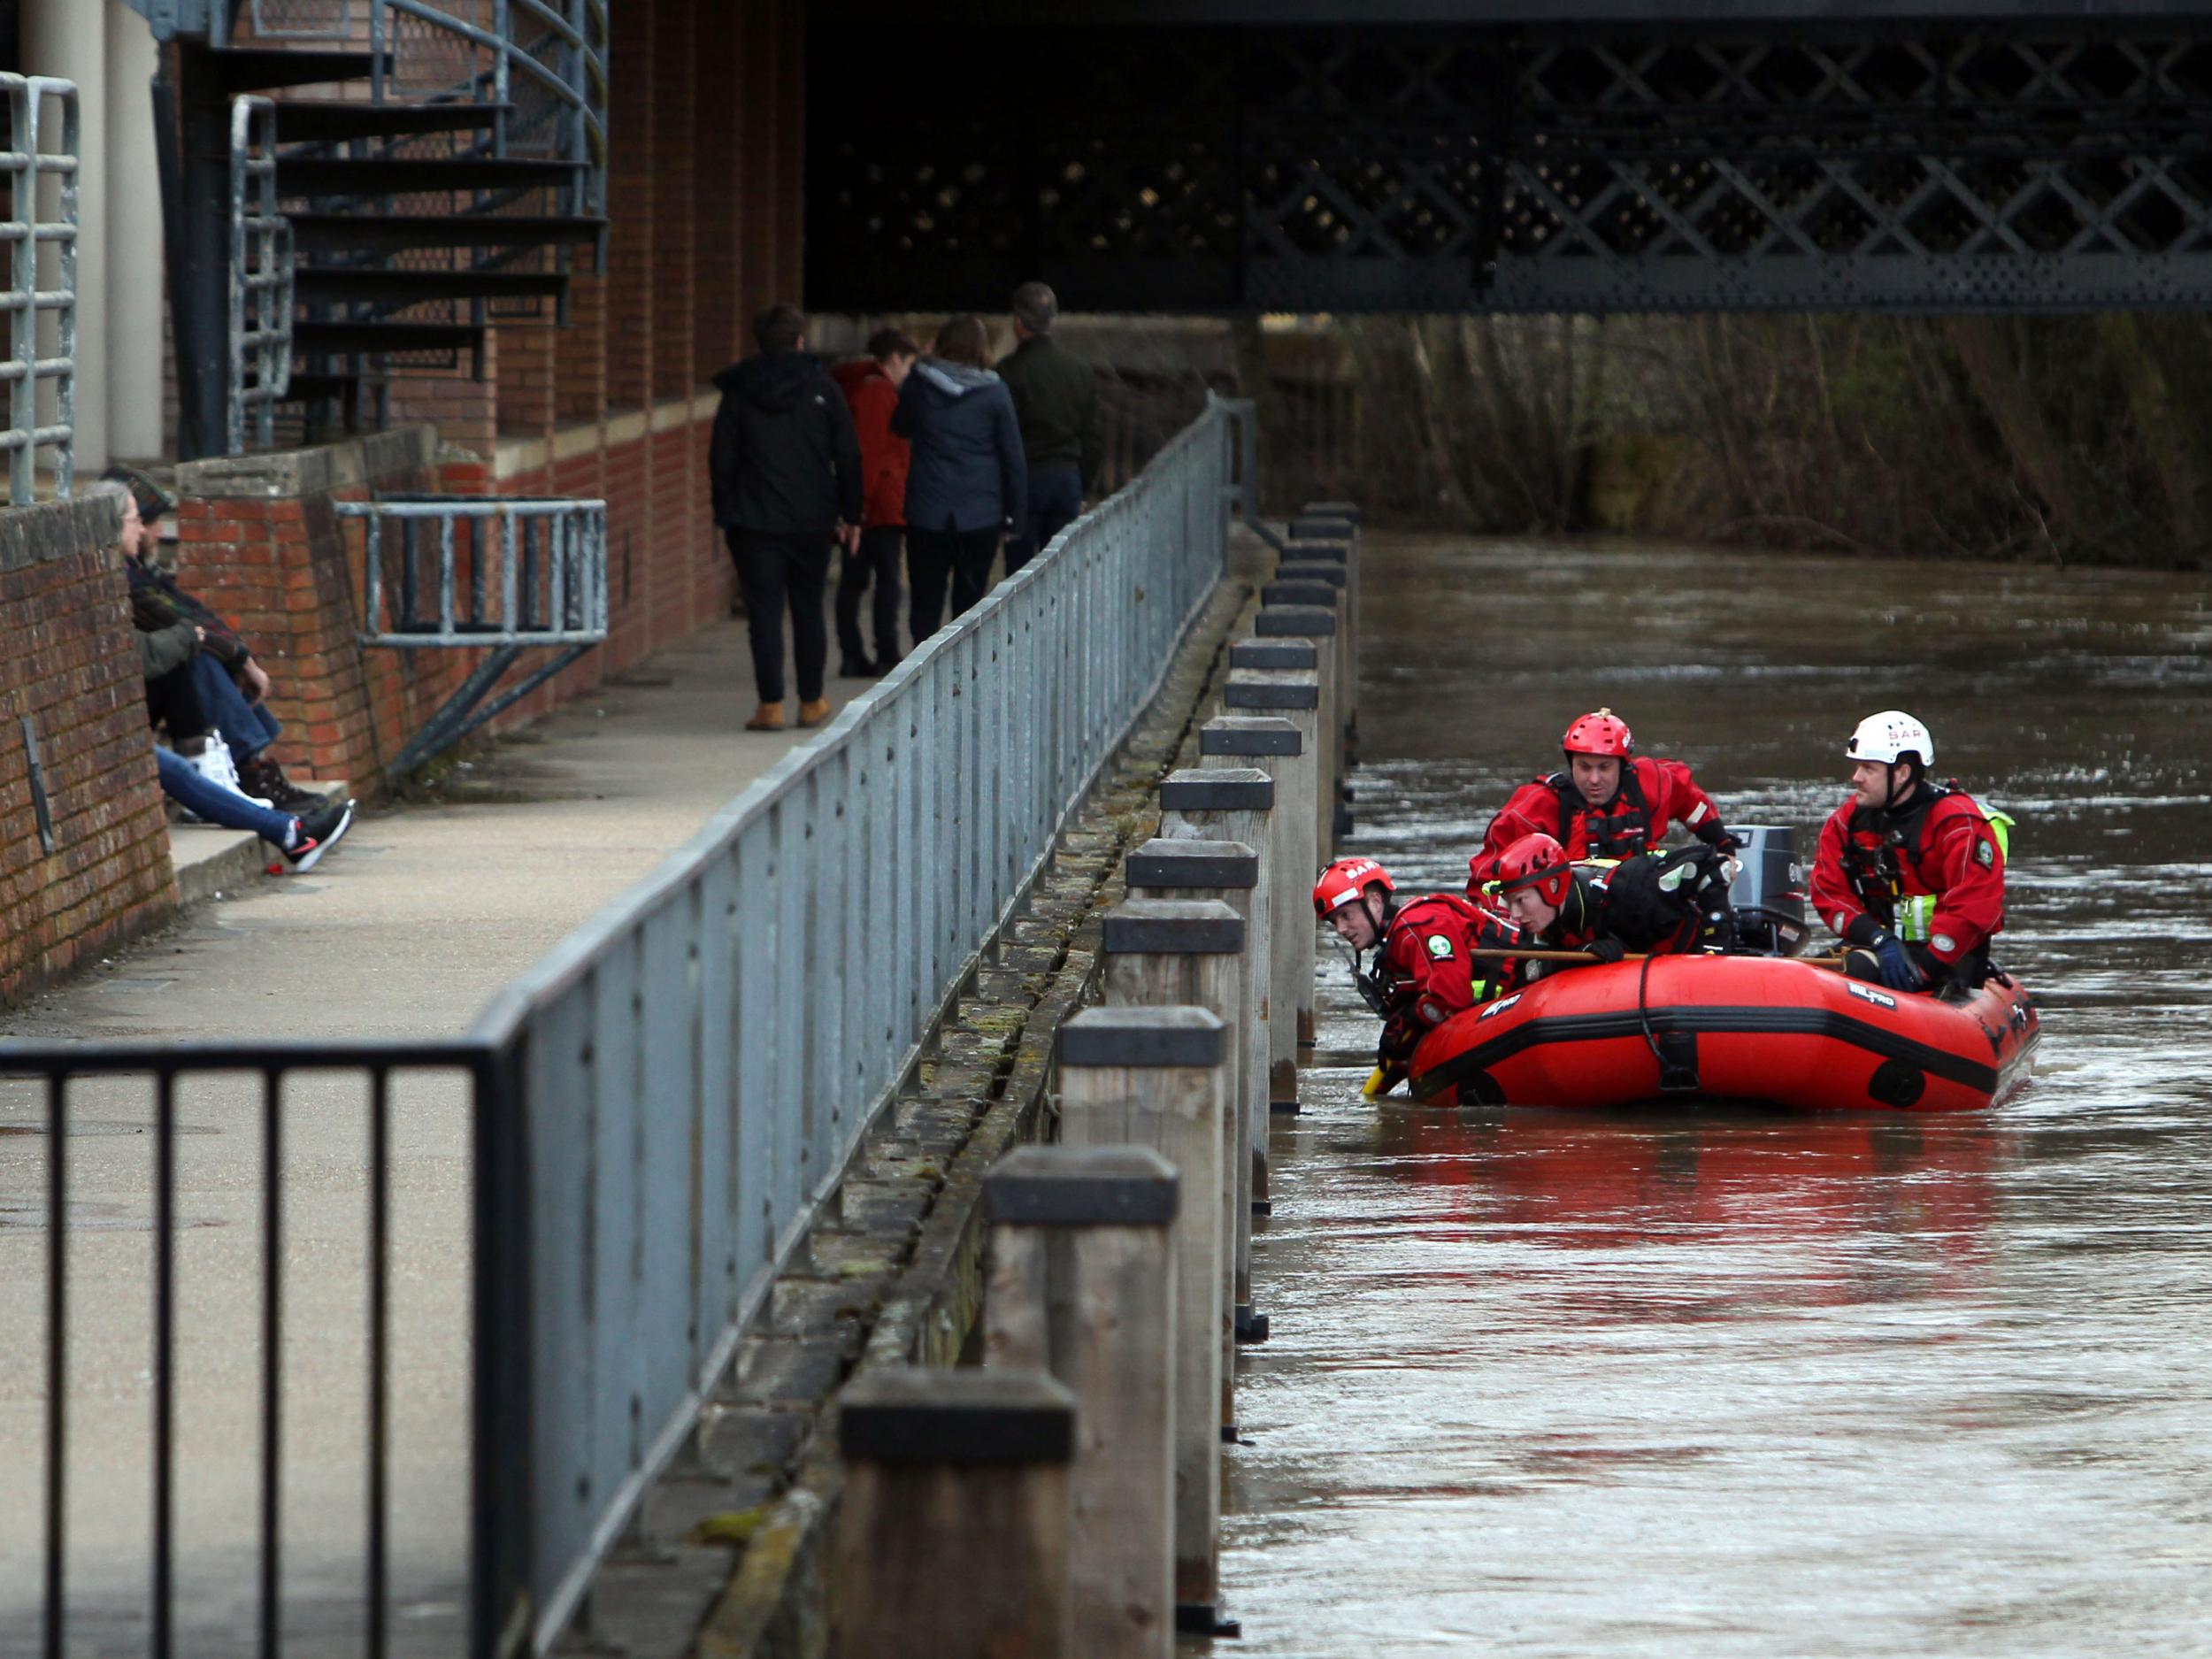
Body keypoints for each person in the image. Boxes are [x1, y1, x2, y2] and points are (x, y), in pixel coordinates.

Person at [95, 472, 322, 812]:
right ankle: (239, 772)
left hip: (135, 693)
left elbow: (192, 611)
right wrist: (227, 652)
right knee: (194, 658)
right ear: (115, 526)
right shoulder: (122, 580)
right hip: (113, 707)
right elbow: (173, 629)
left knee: (199, 652)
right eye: (143, 521)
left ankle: (244, 767)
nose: (149, 531)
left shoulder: (137, 572)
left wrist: (238, 655)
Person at [709, 303, 864, 733]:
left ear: (759, 343)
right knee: (808, 608)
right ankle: (811, 700)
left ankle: (770, 705)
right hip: (812, 519)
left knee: (763, 613)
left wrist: (724, 510)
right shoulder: (824, 389)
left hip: (753, 521)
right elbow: (847, 454)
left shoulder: (739, 392)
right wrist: (852, 513)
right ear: (799, 341)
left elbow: (722, 456)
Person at [1809, 710, 2008, 995]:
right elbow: (1828, 891)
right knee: (1832, 972)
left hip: (1948, 959)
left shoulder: (1956, 823)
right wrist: (1879, 938)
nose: (1856, 778)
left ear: (1902, 773)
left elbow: (1974, 906)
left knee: (1858, 970)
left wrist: (1924, 969)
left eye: (1868, 768)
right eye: (1857, 767)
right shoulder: (1848, 822)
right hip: (1881, 948)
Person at [1313, 856, 1520, 1093]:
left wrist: (1409, 1019)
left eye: (1346, 916)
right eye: (1334, 922)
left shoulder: (1417, 926)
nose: (1340, 929)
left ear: (1375, 901)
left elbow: (1450, 998)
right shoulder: (1397, 943)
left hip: (1523, 989)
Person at [1468, 708, 1737, 889]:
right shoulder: (1539, 806)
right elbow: (1488, 874)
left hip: (1641, 904)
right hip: (1573, 918)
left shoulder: (1651, 782)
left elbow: (1692, 803)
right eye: (1584, 767)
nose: (1594, 779)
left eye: (1604, 768)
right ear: (1571, 765)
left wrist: (1723, 844)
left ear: (1622, 765)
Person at [892, 314, 1025, 637]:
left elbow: (899, 426)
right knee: (969, 603)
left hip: (928, 509)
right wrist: (1015, 517)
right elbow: (1013, 458)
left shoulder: (919, 384)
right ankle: (963, 682)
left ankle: (924, 679)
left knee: (925, 600)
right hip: (980, 513)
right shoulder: (995, 392)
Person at [1491, 833, 1736, 982]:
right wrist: (1580, 956)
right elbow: (1530, 972)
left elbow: (1712, 868)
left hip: (1691, 962)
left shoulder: (1633, 889)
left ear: (1553, 886)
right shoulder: (1543, 924)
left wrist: (1713, 947)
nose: (1515, 914)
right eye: (1509, 902)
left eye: (1520, 901)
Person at [831, 328, 919, 677]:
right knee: (884, 581)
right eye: (909, 365)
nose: (909, 374)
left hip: (870, 503)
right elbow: (869, 454)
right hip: (879, 506)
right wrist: (861, 506)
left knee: (855, 581)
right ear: (895, 359)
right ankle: (882, 651)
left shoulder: (858, 385)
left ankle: (855, 652)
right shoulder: (879, 392)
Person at [996, 281, 1099, 575]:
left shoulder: (1007, 373)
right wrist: (1083, 486)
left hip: (1024, 482)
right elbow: (1092, 438)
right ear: (1052, 320)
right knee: (1063, 572)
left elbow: (1000, 439)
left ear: (1018, 322)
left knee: (1019, 575)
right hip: (1067, 479)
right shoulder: (1079, 370)